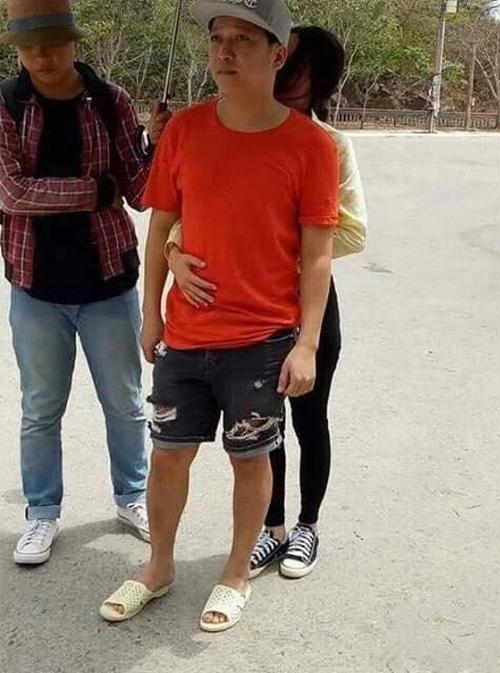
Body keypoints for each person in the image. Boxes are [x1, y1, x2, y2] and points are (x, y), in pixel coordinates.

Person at [100, 0, 339, 632]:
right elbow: (160, 228)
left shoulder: (312, 146)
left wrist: (306, 344)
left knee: (249, 458)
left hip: (261, 339)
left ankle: (235, 572)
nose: (225, 51)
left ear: (278, 54)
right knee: (168, 454)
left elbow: (318, 255)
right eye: (218, 39)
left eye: (244, 40)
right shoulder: (185, 130)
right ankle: (158, 566)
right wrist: (150, 313)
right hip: (185, 335)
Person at [165, 25, 367, 580]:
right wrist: (175, 250)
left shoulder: (327, 144)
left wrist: (275, 246)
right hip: (249, 307)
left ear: (312, 78)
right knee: (263, 424)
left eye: (293, 64)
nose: (280, 71)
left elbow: (351, 232)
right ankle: (271, 530)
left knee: (310, 417)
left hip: (307, 304)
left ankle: (307, 525)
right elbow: (195, 213)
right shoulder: (229, 129)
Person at [0, 0, 162, 565]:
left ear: (73, 42)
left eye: (52, 42)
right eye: (29, 46)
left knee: (125, 403)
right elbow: (11, 192)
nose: (42, 55)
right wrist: (97, 190)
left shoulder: (111, 100)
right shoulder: (6, 105)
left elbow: (141, 191)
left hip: (108, 280)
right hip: (35, 284)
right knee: (40, 409)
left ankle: (133, 496)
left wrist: (159, 145)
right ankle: (41, 512)